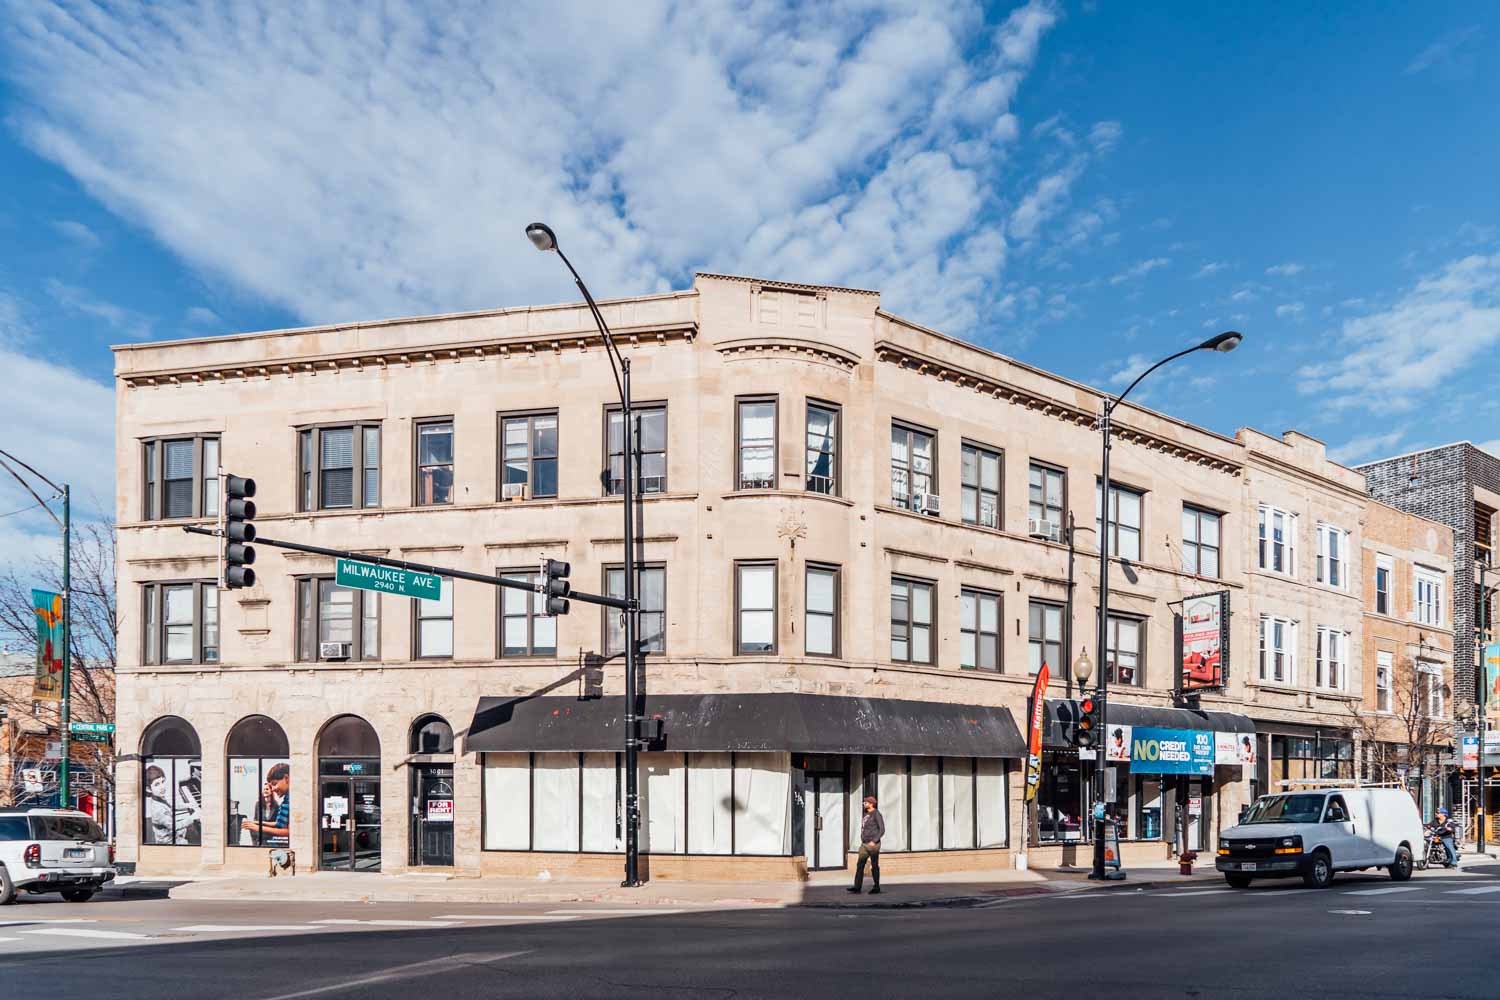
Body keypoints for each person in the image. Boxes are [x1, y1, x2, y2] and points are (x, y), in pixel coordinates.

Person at [243, 763, 291, 847]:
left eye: (274, 783)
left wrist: (258, 827)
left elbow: (289, 831)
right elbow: (279, 824)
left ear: (286, 778)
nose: (273, 789)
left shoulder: (291, 800)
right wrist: (257, 823)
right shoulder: (286, 799)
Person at [847, 795, 884, 895]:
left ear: (871, 804)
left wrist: (874, 841)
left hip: (873, 845)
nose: (864, 803)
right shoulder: (866, 814)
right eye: (864, 802)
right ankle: (857, 887)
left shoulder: (876, 814)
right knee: (860, 865)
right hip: (864, 844)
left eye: (866, 802)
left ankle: (876, 887)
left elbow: (882, 829)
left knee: (874, 865)